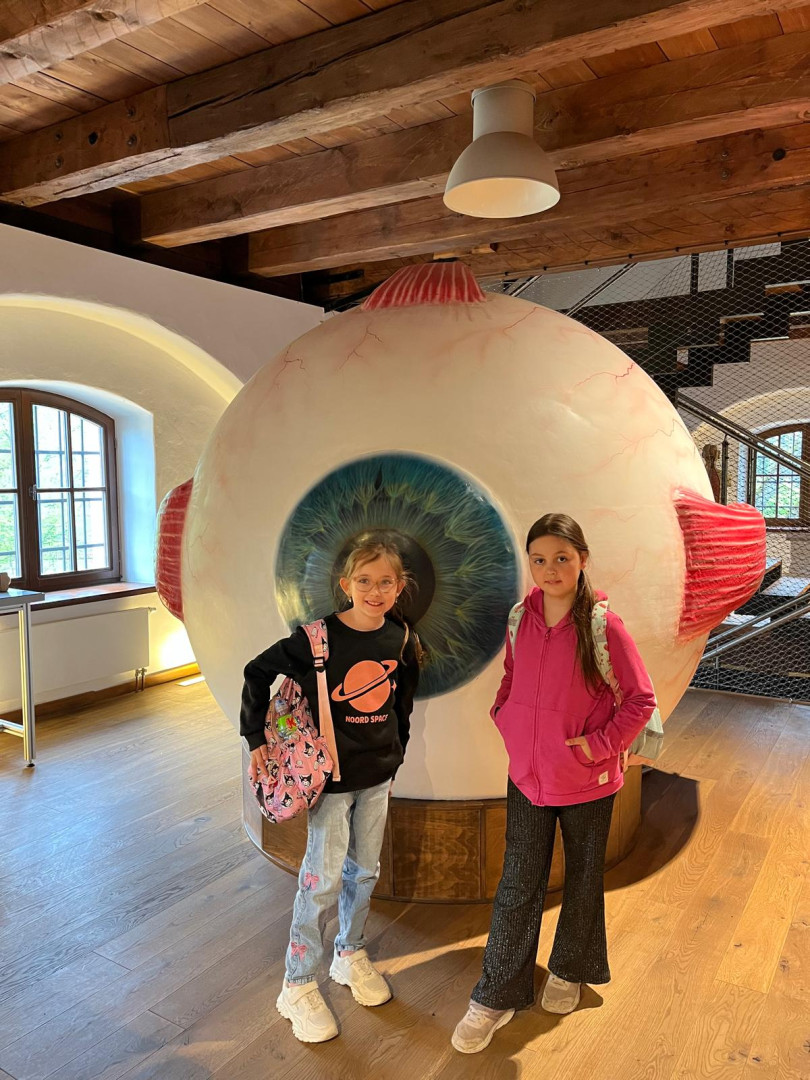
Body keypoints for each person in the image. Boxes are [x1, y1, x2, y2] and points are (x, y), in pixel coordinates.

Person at [452, 514, 656, 1055]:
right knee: (518, 882)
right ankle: (496, 994)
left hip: (589, 779)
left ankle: (569, 969)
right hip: (527, 776)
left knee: (584, 877)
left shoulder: (604, 626)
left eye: (562, 558)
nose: (550, 569)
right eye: (539, 559)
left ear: (582, 560)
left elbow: (641, 699)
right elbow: (511, 677)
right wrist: (506, 717)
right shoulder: (520, 618)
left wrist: (598, 746)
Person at [240, 535, 421, 1044]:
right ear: (346, 585)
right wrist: (255, 737)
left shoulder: (400, 638)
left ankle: (350, 952)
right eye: (364, 581)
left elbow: (402, 703)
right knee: (320, 879)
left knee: (365, 871)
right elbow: (257, 672)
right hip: (332, 782)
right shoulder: (318, 638)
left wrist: (396, 756)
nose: (374, 591)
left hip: (377, 777)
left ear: (400, 586)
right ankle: (297, 982)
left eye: (385, 582)